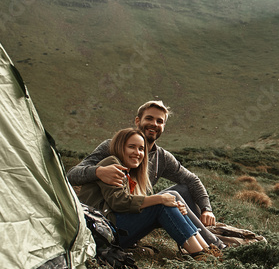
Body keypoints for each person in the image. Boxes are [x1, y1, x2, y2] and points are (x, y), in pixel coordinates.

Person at [67, 100, 224, 248]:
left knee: (179, 193)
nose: (154, 124)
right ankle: (212, 247)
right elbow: (71, 175)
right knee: (169, 198)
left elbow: (192, 180)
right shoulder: (112, 147)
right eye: (149, 118)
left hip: (135, 208)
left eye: (159, 121)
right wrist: (98, 171)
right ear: (137, 121)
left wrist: (206, 209)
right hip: (106, 218)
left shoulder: (161, 157)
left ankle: (205, 241)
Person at [76, 127, 216, 257]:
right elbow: (119, 203)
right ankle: (199, 255)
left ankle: (208, 251)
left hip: (110, 229)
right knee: (161, 204)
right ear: (120, 147)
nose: (137, 153)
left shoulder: (131, 172)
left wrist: (173, 205)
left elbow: (131, 205)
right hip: (100, 231)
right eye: (131, 147)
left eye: (141, 149)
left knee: (168, 202)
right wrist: (160, 200)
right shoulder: (111, 163)